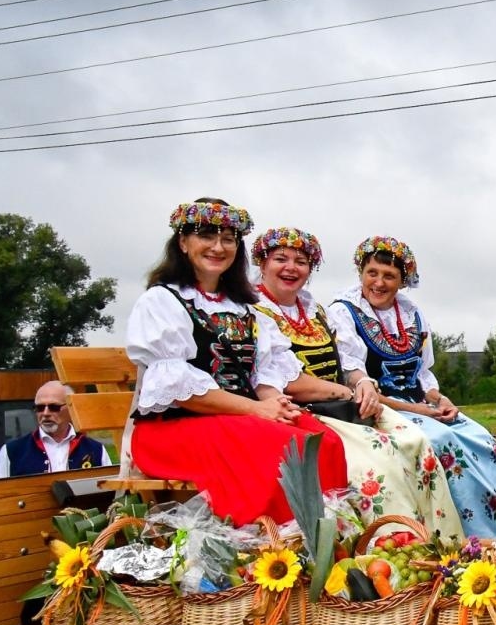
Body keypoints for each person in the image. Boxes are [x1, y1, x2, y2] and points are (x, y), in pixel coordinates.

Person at [125, 198, 348, 525]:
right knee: (284, 447)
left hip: (237, 419)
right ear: (183, 243)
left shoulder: (245, 307)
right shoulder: (162, 300)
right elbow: (176, 388)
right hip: (175, 428)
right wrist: (257, 410)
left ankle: (325, 535)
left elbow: (263, 377)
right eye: (207, 236)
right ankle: (267, 541)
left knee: (323, 440)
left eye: (228, 239)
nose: (218, 247)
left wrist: (277, 405)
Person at [327, 236, 496, 540]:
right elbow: (355, 378)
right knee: (442, 440)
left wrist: (440, 399)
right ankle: (481, 533)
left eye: (389, 276)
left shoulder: (411, 314)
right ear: (360, 272)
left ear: (403, 281)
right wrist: (421, 409)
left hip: (420, 405)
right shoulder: (344, 312)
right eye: (372, 273)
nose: (378, 282)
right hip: (379, 407)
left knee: (478, 435)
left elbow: (423, 372)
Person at [250, 227, 464, 541]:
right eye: (281, 259)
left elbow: (347, 363)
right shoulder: (255, 312)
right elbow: (288, 382)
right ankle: (393, 548)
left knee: (416, 442)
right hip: (303, 409)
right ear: (262, 264)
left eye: (301, 261)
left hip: (338, 404)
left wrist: (362, 381)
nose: (291, 268)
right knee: (380, 465)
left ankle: (442, 544)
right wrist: (349, 391)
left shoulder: (313, 310)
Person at [0, 380, 112, 478]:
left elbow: (110, 494)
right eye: (39, 407)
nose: (45, 413)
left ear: (71, 407)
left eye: (53, 407)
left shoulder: (96, 450)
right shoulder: (11, 451)